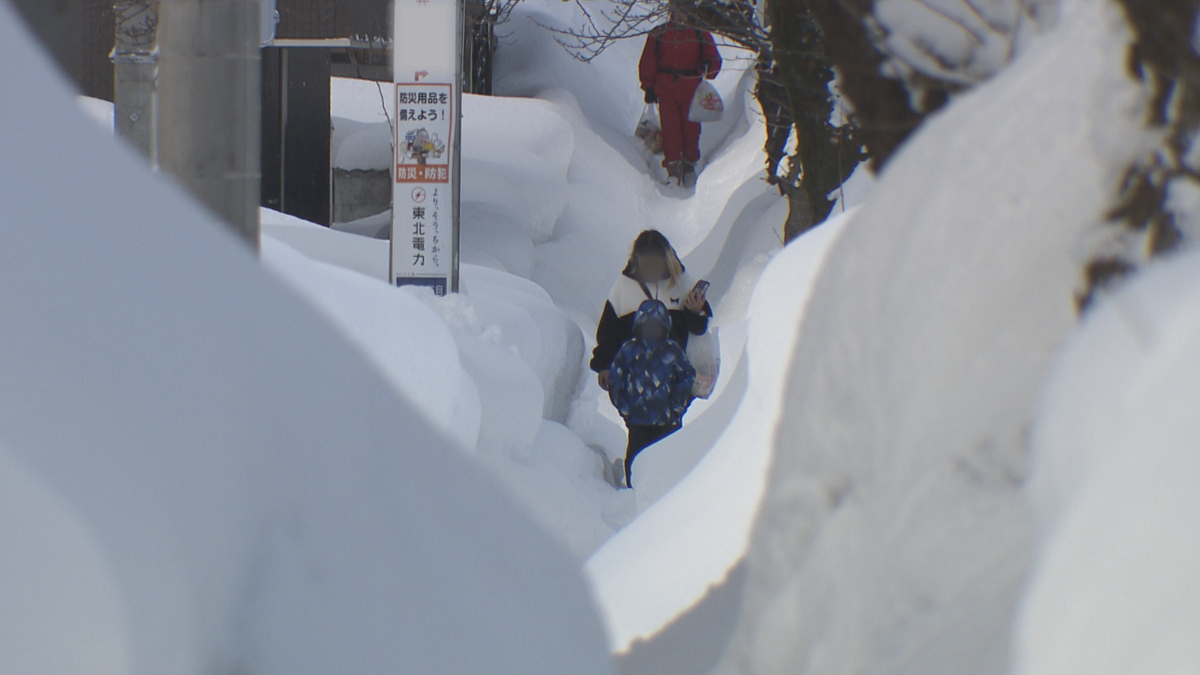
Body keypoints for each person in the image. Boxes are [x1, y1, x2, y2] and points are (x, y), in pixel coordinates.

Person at [591, 230, 712, 485]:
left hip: (672, 386)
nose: (650, 269)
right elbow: (608, 334)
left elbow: (699, 328)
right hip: (637, 391)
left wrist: (696, 311)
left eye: (655, 264)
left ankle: (670, 487)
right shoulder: (623, 288)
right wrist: (605, 368)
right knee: (639, 444)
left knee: (670, 446)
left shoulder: (681, 282)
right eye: (645, 264)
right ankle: (636, 489)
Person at [608, 300, 696, 488]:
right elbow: (616, 379)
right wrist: (625, 407)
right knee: (635, 461)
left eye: (656, 326)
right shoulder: (629, 350)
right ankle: (635, 495)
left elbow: (687, 376)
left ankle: (666, 494)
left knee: (667, 463)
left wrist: (677, 405)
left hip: (667, 421)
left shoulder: (672, 350)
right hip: (638, 421)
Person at [639, 8, 722, 186]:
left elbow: (713, 58)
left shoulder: (700, 33)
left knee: (691, 130)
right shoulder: (659, 33)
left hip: (692, 91)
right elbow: (649, 60)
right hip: (666, 89)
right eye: (677, 9)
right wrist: (648, 86)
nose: (680, 14)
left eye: (683, 9)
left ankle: (689, 164)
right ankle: (673, 168)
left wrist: (708, 64)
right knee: (670, 130)